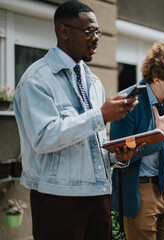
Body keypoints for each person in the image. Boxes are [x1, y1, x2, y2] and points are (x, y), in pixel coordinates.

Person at [13, 1, 140, 239]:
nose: (96, 38)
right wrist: (101, 115)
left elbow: (91, 143)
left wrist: (117, 156)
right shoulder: (37, 80)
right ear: (64, 32)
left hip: (98, 195)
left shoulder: (93, 82)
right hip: (58, 199)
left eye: (97, 31)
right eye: (89, 31)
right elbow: (43, 138)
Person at [110, 40, 164, 240]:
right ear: (157, 78)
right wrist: (158, 132)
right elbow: (120, 155)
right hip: (140, 191)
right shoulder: (126, 102)